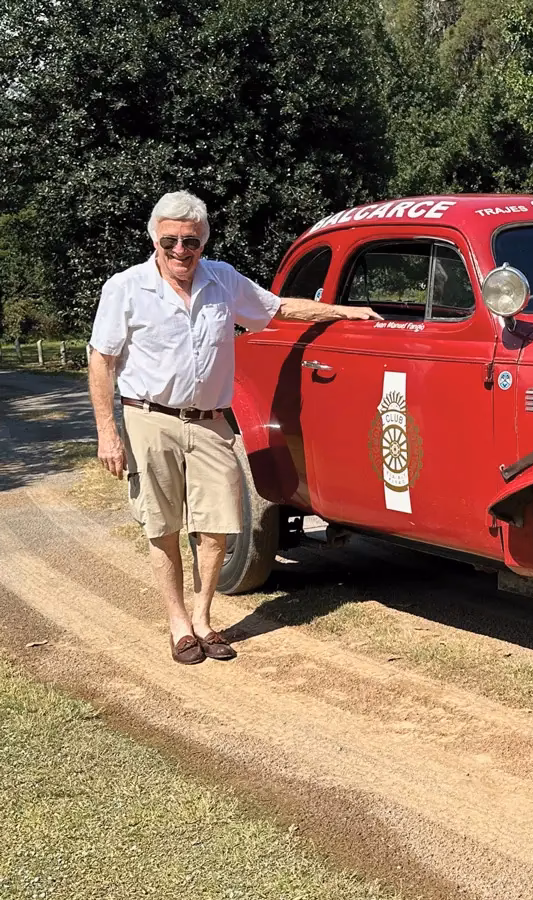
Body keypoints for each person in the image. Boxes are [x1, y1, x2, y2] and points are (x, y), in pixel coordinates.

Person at [87, 190, 381, 665]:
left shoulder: (223, 280)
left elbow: (279, 308)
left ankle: (204, 619)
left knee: (218, 523)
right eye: (171, 241)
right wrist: (108, 431)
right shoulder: (126, 287)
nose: (181, 251)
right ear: (155, 239)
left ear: (204, 240)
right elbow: (101, 359)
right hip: (149, 417)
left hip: (210, 422)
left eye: (191, 242)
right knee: (161, 526)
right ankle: (179, 624)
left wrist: (344, 312)